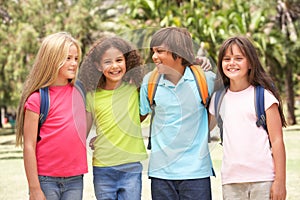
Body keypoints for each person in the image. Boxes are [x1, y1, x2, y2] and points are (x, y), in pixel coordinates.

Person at [139, 27, 216, 200]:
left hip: (196, 173)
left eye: (160, 51)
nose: (154, 57)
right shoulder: (149, 83)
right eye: (153, 51)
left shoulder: (206, 80)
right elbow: (138, 116)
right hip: (161, 174)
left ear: (178, 53)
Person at [209, 36, 287, 200]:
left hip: (263, 179)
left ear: (250, 63)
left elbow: (278, 142)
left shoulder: (264, 97)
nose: (232, 63)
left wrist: (280, 182)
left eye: (238, 58)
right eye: (227, 59)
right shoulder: (218, 99)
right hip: (231, 181)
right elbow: (203, 129)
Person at [15, 32, 88, 200]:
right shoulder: (37, 99)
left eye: (76, 58)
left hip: (75, 179)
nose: (74, 63)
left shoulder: (80, 92)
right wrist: (34, 188)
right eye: (68, 58)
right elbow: (29, 147)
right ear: (51, 59)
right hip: (46, 180)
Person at [78, 36, 148, 200]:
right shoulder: (92, 96)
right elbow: (83, 131)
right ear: (98, 65)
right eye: (108, 62)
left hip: (131, 166)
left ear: (127, 62)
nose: (115, 66)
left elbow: (140, 114)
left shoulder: (134, 90)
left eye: (119, 60)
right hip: (103, 168)